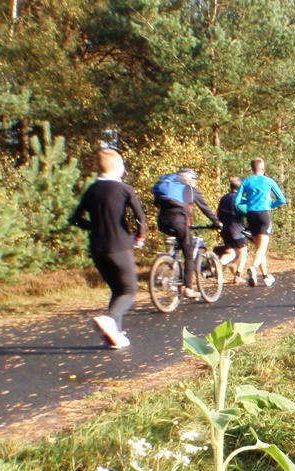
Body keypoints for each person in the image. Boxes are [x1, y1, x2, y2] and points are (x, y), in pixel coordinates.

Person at [69, 148, 146, 350]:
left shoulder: (92, 190)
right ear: (116, 167)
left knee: (117, 289)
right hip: (119, 246)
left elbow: (75, 220)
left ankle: (115, 335)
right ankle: (110, 319)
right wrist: (140, 236)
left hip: (97, 247)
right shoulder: (125, 189)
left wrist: (95, 226)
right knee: (129, 289)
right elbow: (140, 217)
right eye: (122, 164)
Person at [155, 168, 221, 299]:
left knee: (181, 244)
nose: (195, 182)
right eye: (194, 179)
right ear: (189, 179)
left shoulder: (168, 188)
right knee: (189, 253)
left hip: (162, 222)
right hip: (179, 222)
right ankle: (189, 288)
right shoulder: (191, 190)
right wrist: (217, 222)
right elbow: (205, 208)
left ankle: (173, 264)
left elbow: (157, 203)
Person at [234, 158, 288, 287]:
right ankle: (253, 268)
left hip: (251, 215)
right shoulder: (269, 181)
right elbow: (282, 199)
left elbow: (237, 201)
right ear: (263, 168)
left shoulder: (246, 181)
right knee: (262, 248)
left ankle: (265, 276)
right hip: (264, 214)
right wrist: (270, 204)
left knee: (259, 248)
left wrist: (250, 201)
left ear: (252, 169)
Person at [216, 177, 248, 283]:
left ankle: (216, 266)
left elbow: (218, 213)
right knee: (243, 251)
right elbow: (247, 212)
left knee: (231, 253)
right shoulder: (239, 199)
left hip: (225, 229)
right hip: (237, 230)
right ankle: (238, 275)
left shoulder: (224, 198)